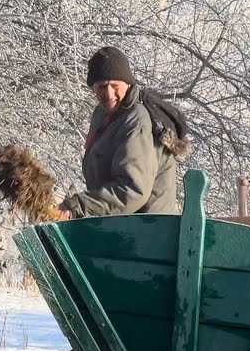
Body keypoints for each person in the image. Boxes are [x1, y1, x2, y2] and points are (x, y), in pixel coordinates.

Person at [52, 46, 191, 220]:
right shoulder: (104, 116)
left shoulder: (136, 122)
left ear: (127, 83)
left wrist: (77, 207)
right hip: (123, 226)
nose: (108, 94)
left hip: (148, 230)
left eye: (114, 86)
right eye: (102, 86)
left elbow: (133, 191)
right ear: (93, 87)